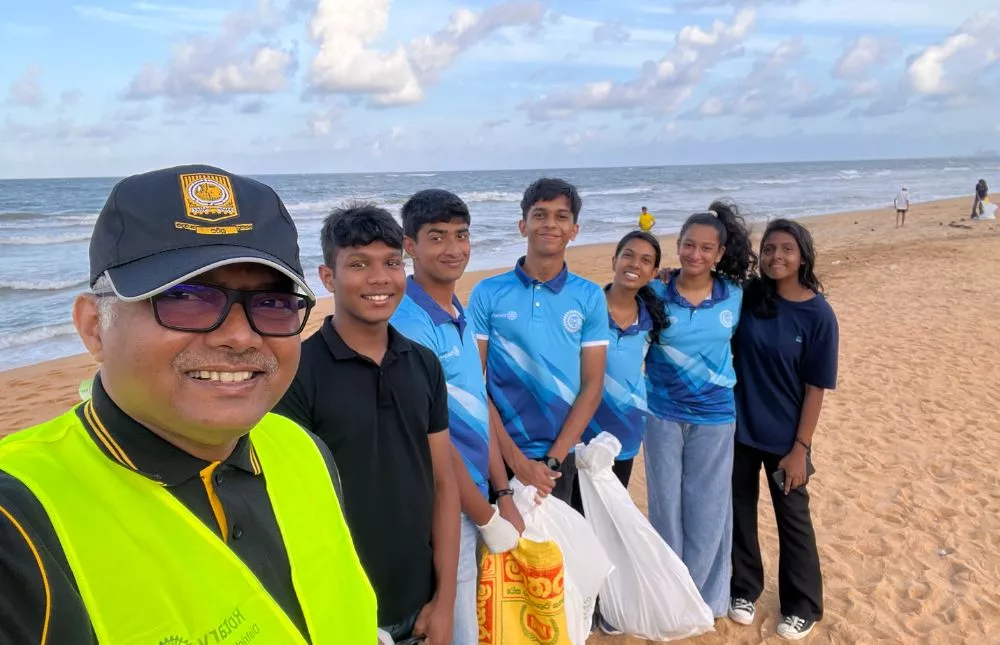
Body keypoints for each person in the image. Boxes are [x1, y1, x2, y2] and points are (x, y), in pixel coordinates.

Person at [0, 165, 377, 643]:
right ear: (94, 326)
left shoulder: (302, 450)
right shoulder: (18, 520)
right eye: (186, 298)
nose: (240, 336)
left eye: (273, 304)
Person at [273, 204, 460, 645]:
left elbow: (443, 482)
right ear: (327, 277)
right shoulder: (298, 372)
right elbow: (292, 508)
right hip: (340, 610)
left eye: (391, 263)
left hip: (419, 603)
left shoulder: (424, 364)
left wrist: (445, 603)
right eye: (358, 264)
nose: (379, 278)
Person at [389, 189, 524, 644]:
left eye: (461, 235)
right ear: (410, 247)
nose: (453, 248)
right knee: (456, 625)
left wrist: (502, 491)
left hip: (475, 493)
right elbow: (431, 442)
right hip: (444, 503)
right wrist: (486, 515)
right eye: (437, 237)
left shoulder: (455, 307)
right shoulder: (410, 322)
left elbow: (477, 402)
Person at [643, 200, 756, 618]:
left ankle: (706, 600)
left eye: (706, 248)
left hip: (714, 416)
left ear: (720, 254)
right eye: (688, 245)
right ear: (677, 245)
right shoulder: (654, 291)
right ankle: (671, 594)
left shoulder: (736, 295)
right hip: (661, 413)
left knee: (708, 508)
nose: (695, 255)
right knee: (666, 508)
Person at [729, 219, 838, 641]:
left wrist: (801, 448)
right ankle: (744, 589)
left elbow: (816, 388)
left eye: (786, 249)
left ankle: (802, 605)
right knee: (739, 513)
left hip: (786, 440)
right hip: (739, 430)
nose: (776, 256)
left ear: (803, 255)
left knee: (793, 520)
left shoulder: (818, 314)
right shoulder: (752, 297)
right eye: (769, 248)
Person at [469, 178, 609, 505]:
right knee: (498, 552)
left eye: (561, 217)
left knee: (555, 554)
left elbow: (593, 385)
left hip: (561, 454)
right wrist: (517, 461)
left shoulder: (589, 296)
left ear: (574, 229)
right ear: (523, 225)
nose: (550, 224)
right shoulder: (487, 293)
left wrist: (551, 461)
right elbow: (475, 381)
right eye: (540, 214)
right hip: (497, 450)